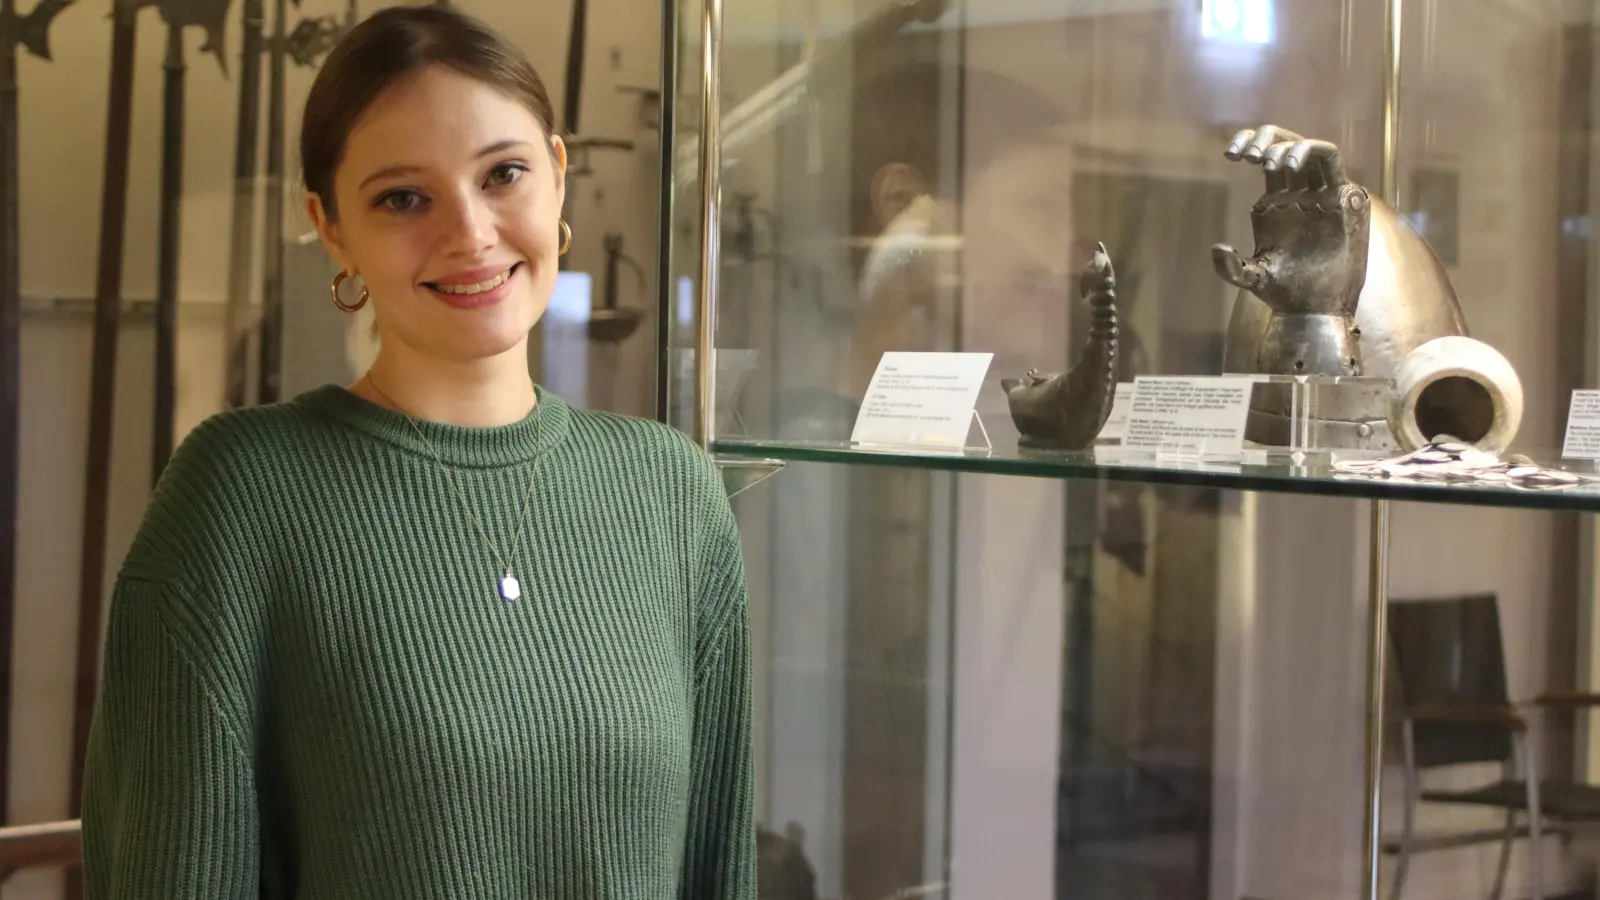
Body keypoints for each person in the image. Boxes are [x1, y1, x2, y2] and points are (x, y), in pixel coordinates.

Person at [78, 6, 755, 898]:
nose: (469, 233)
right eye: (403, 197)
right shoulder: (240, 494)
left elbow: (718, 866)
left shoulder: (670, 490)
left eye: (503, 174)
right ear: (331, 227)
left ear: (557, 176)